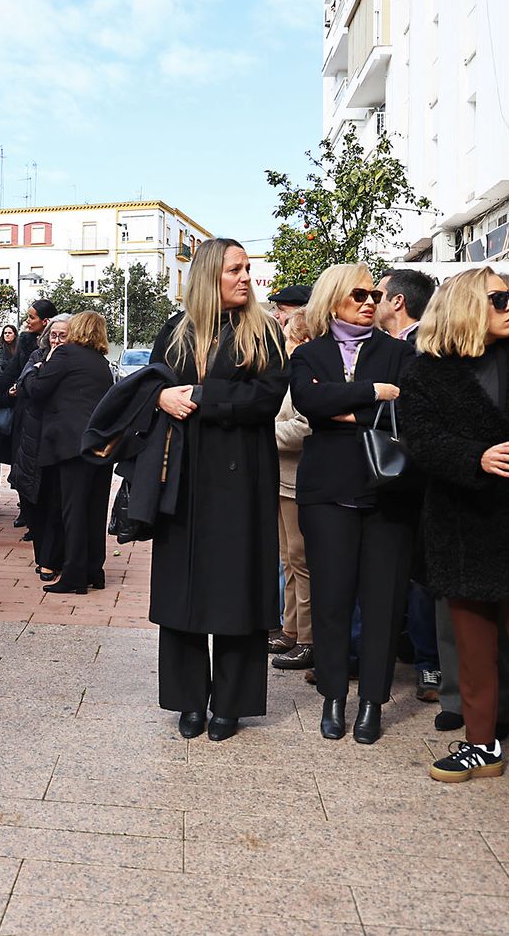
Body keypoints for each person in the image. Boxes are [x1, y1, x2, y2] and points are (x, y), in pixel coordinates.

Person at [399, 268, 509, 807]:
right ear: (468, 305)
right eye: (499, 299)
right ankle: (480, 743)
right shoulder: (426, 371)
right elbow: (419, 438)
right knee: (471, 647)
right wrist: (475, 456)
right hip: (461, 523)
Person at [148, 238, 289, 742]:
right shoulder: (175, 330)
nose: (246, 277)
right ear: (210, 275)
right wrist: (161, 395)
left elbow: (267, 398)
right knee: (183, 590)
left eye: (248, 268)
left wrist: (204, 397)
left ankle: (231, 703)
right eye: (235, 269)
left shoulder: (264, 332)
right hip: (182, 477)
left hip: (241, 478)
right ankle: (189, 701)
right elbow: (150, 386)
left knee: (238, 590)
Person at [290, 263, 414, 745]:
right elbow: (307, 402)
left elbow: (404, 405)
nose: (369, 301)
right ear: (333, 298)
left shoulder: (398, 352)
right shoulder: (309, 354)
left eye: (373, 294)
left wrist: (340, 405)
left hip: (387, 491)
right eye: (358, 294)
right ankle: (334, 697)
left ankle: (372, 705)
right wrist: (370, 395)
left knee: (383, 602)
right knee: (331, 598)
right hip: (326, 491)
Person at [377, 267, 440, 704]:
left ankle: (429, 664)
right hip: (385, 477)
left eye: (375, 293)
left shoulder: (424, 350)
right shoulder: (382, 348)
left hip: (417, 477)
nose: (369, 301)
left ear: (397, 301)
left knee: (420, 575)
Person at [21, 310, 115, 593]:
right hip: (99, 445)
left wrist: (33, 371)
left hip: (70, 445)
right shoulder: (101, 363)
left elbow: (37, 389)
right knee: (94, 510)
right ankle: (93, 570)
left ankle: (74, 575)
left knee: (72, 511)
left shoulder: (66, 355)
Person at [11, 314, 71, 580]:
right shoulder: (37, 355)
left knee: (56, 500)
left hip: (58, 438)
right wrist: (38, 369)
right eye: (53, 335)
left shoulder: (72, 359)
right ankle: (42, 556)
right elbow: (26, 384)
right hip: (33, 436)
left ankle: (52, 558)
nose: (56, 340)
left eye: (62, 335)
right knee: (35, 499)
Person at [270, 309, 314, 671]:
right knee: (288, 559)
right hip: (283, 479)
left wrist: (263, 435)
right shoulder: (291, 374)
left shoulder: (306, 374)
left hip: (297, 480)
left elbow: (304, 427)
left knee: (300, 561)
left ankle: (307, 638)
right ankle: (290, 630)